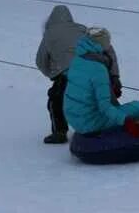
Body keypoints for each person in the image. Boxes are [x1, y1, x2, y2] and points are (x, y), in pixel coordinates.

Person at [36, 7, 122, 144]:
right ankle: (120, 122)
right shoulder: (81, 28)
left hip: (67, 72)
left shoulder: (49, 33)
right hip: (95, 66)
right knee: (102, 96)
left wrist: (54, 74)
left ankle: (59, 132)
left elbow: (41, 61)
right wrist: (114, 76)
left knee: (56, 100)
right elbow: (108, 49)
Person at [63, 27, 139, 137]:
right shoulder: (98, 69)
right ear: (103, 44)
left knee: (114, 109)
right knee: (138, 106)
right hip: (90, 122)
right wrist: (127, 122)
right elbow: (104, 107)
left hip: (73, 118)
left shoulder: (77, 60)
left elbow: (85, 91)